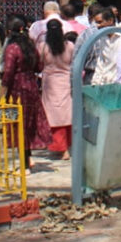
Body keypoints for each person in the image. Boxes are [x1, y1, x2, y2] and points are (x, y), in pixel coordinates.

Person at [2, 18, 47, 166]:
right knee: (29, 124)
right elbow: (39, 66)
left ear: (9, 32)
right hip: (31, 86)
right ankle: (28, 157)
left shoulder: (12, 48)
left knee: (19, 125)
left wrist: (3, 92)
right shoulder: (30, 47)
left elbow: (8, 72)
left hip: (17, 88)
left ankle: (25, 161)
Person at [38, 19, 75, 158]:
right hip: (65, 81)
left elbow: (40, 62)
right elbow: (73, 62)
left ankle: (60, 146)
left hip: (49, 81)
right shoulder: (69, 45)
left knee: (53, 114)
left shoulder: (43, 46)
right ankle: (66, 146)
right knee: (65, 113)